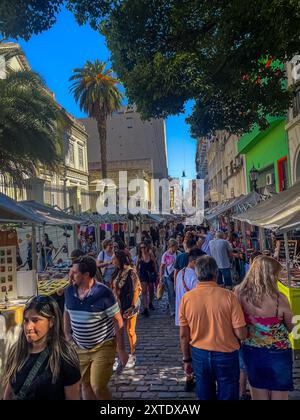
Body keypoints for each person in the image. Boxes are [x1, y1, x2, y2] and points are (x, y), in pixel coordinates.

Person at [179, 256, 247, 400]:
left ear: (197, 274)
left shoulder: (186, 299)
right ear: (216, 273)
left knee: (204, 395)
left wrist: (186, 360)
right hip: (226, 354)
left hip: (199, 354)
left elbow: (184, 335)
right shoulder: (229, 297)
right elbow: (241, 333)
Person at [64, 256, 128, 400]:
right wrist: (67, 334)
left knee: (97, 385)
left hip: (103, 346)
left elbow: (118, 320)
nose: (70, 274)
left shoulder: (103, 293)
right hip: (79, 347)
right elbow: (66, 312)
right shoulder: (69, 291)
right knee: (85, 384)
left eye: (74, 272)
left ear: (86, 275)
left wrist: (121, 349)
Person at [235, 256, 294, 400]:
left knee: (258, 392)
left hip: (252, 351)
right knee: (279, 394)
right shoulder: (280, 299)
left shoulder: (238, 294)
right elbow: (291, 326)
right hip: (278, 352)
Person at [3, 295, 81, 400]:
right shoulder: (17, 351)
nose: (28, 327)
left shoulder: (65, 355)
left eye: (35, 320)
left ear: (51, 322)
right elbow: (9, 393)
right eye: (26, 320)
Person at [175, 249, 204, 392]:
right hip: (193, 315)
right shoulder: (194, 277)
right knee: (195, 347)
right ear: (194, 261)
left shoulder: (181, 273)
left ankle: (188, 376)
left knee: (185, 345)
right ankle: (195, 375)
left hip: (182, 314)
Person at [111, 251, 142, 370]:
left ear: (120, 259)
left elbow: (136, 290)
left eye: (114, 259)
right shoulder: (117, 272)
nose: (112, 261)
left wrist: (132, 307)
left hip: (129, 305)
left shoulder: (131, 272)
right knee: (117, 332)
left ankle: (132, 354)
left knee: (130, 330)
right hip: (116, 306)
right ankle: (119, 355)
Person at [159, 239, 180, 317]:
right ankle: (172, 310)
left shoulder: (178, 253)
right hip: (168, 276)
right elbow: (162, 266)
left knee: (176, 293)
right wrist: (160, 277)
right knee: (171, 293)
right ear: (172, 246)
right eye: (176, 246)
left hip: (177, 276)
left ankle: (177, 307)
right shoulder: (165, 255)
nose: (177, 248)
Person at [136, 242, 157, 316]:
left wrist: (156, 274)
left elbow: (155, 264)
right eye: (141, 248)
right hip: (143, 274)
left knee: (151, 290)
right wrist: (136, 275)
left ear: (147, 247)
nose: (143, 249)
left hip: (151, 274)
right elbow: (136, 267)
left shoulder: (150, 255)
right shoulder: (139, 256)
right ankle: (145, 308)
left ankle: (150, 302)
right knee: (144, 291)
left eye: (144, 247)